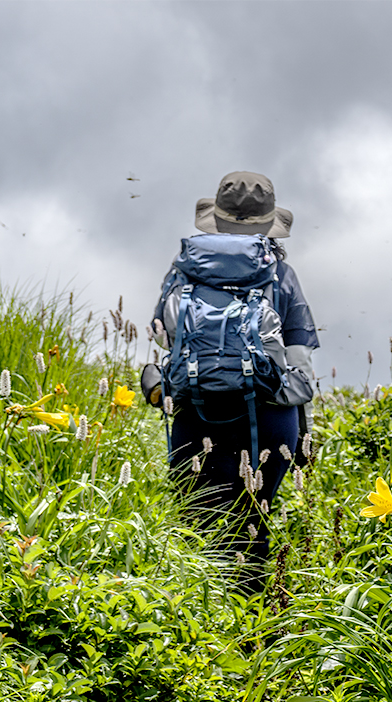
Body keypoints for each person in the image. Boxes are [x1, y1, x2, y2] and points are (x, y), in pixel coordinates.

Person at [147, 171, 319, 589]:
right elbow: (299, 360)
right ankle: (255, 630)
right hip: (271, 414)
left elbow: (164, 336)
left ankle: (199, 631)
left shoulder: (184, 268)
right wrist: (305, 433)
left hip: (195, 409)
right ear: (267, 223)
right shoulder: (281, 273)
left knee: (198, 524)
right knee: (253, 522)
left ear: (217, 221)